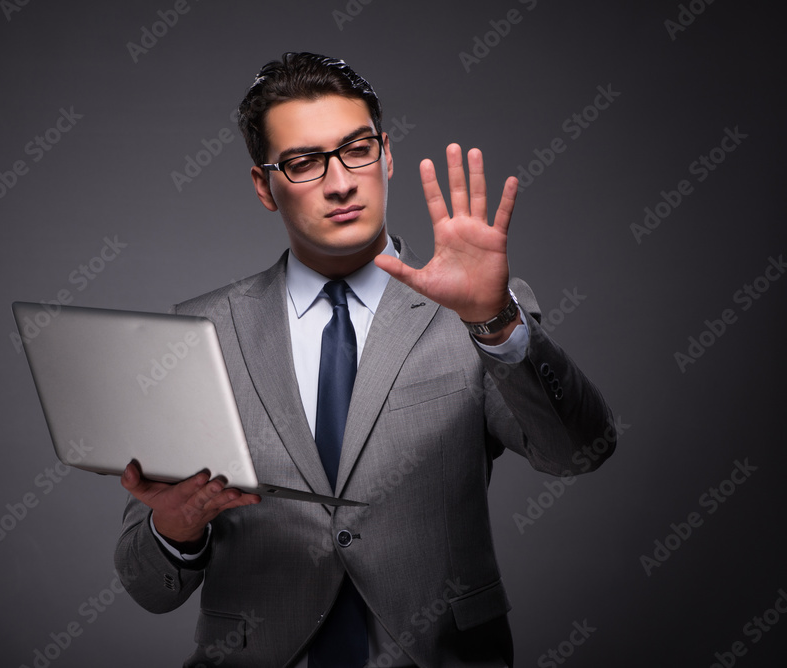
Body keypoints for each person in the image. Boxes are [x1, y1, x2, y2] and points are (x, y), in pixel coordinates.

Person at [116, 52, 616, 667]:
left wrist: (495, 320)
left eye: (357, 149)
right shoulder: (201, 334)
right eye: (303, 162)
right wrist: (176, 530)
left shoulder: (477, 313)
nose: (341, 182)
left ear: (386, 153)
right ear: (263, 185)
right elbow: (148, 588)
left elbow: (581, 452)